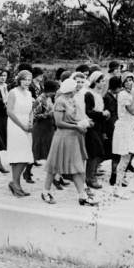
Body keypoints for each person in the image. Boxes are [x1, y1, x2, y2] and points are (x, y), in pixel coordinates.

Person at [40, 78, 98, 206]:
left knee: (78, 166)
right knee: (54, 166)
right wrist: (76, 126)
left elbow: (78, 116)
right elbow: (59, 123)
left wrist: (86, 122)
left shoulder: (73, 100)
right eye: (75, 88)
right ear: (69, 89)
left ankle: (82, 196)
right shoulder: (60, 101)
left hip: (75, 137)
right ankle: (45, 192)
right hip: (63, 137)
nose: (77, 89)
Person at [112, 72, 134, 198]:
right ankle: (117, 187)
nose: (129, 82)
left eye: (131, 80)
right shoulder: (122, 94)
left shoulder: (133, 94)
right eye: (126, 80)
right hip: (124, 129)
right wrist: (133, 94)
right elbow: (132, 111)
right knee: (125, 158)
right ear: (123, 83)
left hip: (132, 128)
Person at [4, 70, 34, 197]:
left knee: (24, 156)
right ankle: (16, 184)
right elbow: (9, 112)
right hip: (15, 124)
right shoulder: (13, 92)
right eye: (25, 79)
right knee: (20, 154)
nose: (27, 82)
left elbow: (31, 110)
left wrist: (31, 122)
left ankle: (15, 183)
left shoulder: (29, 93)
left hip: (26, 124)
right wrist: (22, 126)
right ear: (19, 80)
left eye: (29, 80)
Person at [83, 71, 109, 190]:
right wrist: (102, 113)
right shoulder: (89, 94)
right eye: (102, 81)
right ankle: (90, 178)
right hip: (91, 126)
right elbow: (88, 111)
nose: (104, 83)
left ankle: (90, 176)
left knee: (98, 152)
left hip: (98, 127)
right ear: (96, 81)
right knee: (93, 152)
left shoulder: (97, 94)